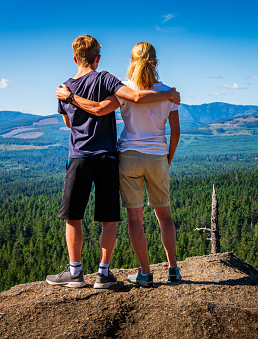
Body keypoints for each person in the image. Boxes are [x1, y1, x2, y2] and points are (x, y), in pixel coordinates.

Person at [46, 35, 180, 289]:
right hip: (134, 157)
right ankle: (161, 269)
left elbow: (80, 117)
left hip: (108, 156)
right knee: (152, 215)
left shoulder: (75, 87)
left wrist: (71, 98)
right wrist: (169, 96)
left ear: (75, 58)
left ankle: (136, 272)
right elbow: (172, 128)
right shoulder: (158, 92)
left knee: (117, 218)